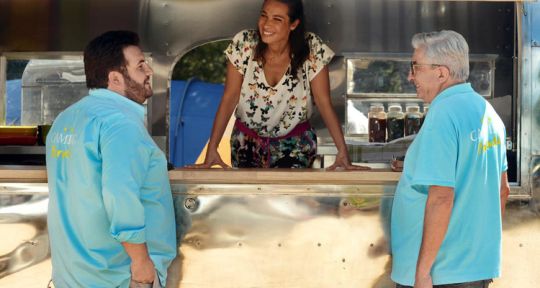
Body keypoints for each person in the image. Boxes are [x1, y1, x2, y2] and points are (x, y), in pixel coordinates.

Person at [46, 31, 176, 288]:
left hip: (71, 275)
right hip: (118, 276)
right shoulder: (121, 124)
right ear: (115, 78)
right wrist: (141, 265)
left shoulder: (65, 119)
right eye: (140, 65)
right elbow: (120, 195)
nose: (149, 70)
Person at [390, 30, 510, 288]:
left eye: (415, 67)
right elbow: (502, 191)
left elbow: (441, 197)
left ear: (441, 73)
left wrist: (422, 274)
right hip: (474, 270)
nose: (411, 76)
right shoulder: (488, 113)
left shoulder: (442, 113)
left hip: (440, 274)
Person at [193, 0, 366, 170]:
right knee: (249, 198)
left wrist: (342, 151)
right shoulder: (244, 43)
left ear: (293, 24)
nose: (266, 24)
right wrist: (212, 148)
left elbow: (323, 102)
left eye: (277, 19)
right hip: (246, 143)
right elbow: (230, 97)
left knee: (290, 198)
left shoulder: (312, 48)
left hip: (296, 145)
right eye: (264, 16)